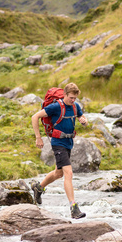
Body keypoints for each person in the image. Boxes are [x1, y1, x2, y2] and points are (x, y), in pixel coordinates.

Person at [31, 82, 88, 219]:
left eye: (75, 98)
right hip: (58, 142)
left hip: (68, 142)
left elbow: (81, 116)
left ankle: (38, 187)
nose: (73, 100)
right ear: (65, 95)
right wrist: (38, 138)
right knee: (68, 172)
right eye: (71, 98)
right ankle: (74, 208)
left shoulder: (75, 106)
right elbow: (35, 117)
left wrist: (84, 120)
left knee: (58, 173)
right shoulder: (56, 106)